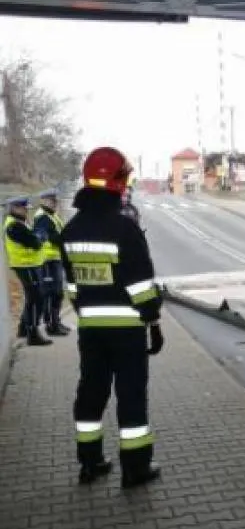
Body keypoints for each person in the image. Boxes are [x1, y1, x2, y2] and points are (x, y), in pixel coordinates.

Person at [61, 146, 164, 488]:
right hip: (127, 332)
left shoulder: (70, 231)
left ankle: (90, 463)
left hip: (90, 330)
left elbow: (72, 288)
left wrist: (86, 313)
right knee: (131, 398)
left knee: (90, 394)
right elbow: (141, 287)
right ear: (117, 181)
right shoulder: (125, 229)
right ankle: (135, 469)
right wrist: (153, 322)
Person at [3, 196, 52, 347]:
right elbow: (35, 243)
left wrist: (38, 236)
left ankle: (24, 329)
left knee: (32, 298)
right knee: (36, 299)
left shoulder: (19, 223)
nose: (26, 211)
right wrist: (40, 236)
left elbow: (35, 239)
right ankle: (33, 334)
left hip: (29, 265)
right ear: (15, 208)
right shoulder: (14, 226)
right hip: (25, 266)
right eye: (24, 209)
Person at [33, 188, 70, 337]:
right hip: (47, 260)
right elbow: (54, 237)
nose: (55, 203)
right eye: (52, 201)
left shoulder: (51, 216)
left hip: (54, 259)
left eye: (55, 201)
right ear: (44, 201)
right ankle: (51, 325)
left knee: (57, 293)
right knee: (52, 293)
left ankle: (56, 321)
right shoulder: (43, 217)